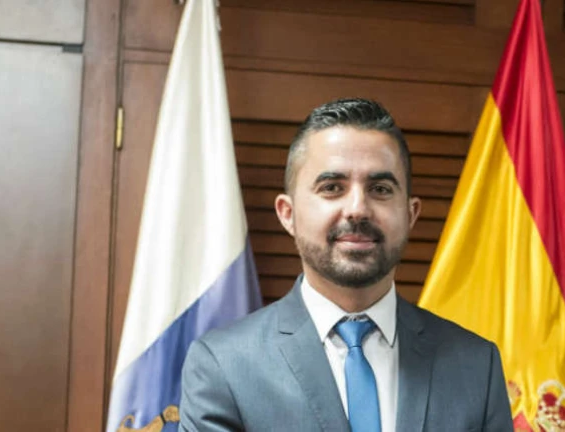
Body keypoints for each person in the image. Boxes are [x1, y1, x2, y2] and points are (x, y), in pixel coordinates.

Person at [179, 98, 513, 431]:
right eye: (332, 188)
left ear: (410, 214)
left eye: (380, 189)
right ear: (288, 214)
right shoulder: (223, 365)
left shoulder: (476, 365)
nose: (357, 209)